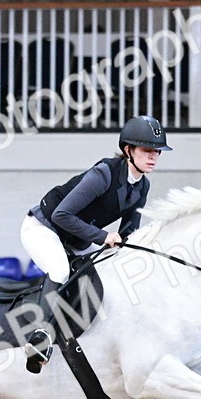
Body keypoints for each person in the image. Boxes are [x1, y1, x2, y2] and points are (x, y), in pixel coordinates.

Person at [19, 115, 172, 372]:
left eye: (157, 151)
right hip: (43, 227)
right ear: (128, 150)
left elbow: (128, 233)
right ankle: (39, 337)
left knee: (110, 269)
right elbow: (61, 215)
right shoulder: (104, 174)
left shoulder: (142, 186)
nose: (153, 156)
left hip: (76, 239)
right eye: (147, 150)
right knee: (59, 270)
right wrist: (103, 237)